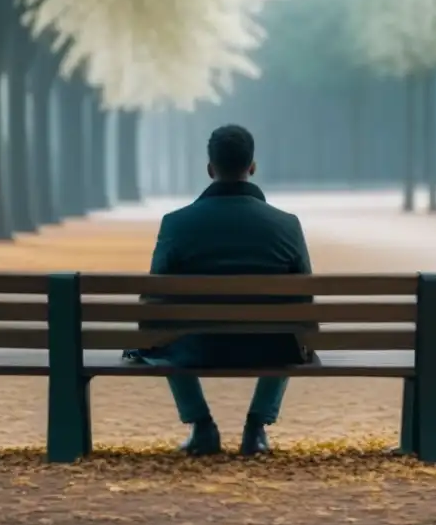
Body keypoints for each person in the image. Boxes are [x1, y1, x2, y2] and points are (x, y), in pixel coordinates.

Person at [124, 124, 314, 456]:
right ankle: (256, 429)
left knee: (160, 333)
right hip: (270, 349)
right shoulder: (287, 224)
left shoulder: (176, 223)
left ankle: (201, 425)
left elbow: (153, 299)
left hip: (194, 348)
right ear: (252, 168)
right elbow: (303, 302)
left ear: (210, 169)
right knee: (290, 329)